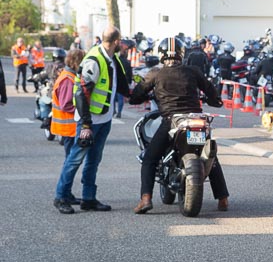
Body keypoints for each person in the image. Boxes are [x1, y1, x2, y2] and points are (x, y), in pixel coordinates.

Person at [130, 44, 229, 214]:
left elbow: (137, 94)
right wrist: (215, 101)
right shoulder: (193, 71)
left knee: (150, 159)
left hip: (172, 121)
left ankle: (145, 199)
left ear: (161, 54)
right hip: (196, 120)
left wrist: (138, 97)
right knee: (210, 158)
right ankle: (223, 199)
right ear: (181, 54)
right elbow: (212, 92)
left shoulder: (156, 73)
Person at [53, 26, 126, 214]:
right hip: (90, 120)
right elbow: (81, 93)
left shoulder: (110, 57)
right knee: (75, 158)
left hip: (104, 118)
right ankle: (61, 196)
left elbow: (120, 85)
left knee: (93, 160)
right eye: (121, 41)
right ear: (116, 41)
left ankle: (88, 198)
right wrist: (86, 124)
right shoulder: (94, 59)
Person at [51, 49, 87, 164]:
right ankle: (65, 182)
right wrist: (83, 110)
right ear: (77, 62)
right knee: (71, 162)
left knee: (71, 160)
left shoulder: (70, 75)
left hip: (70, 127)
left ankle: (66, 181)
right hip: (69, 127)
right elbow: (66, 104)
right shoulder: (67, 79)